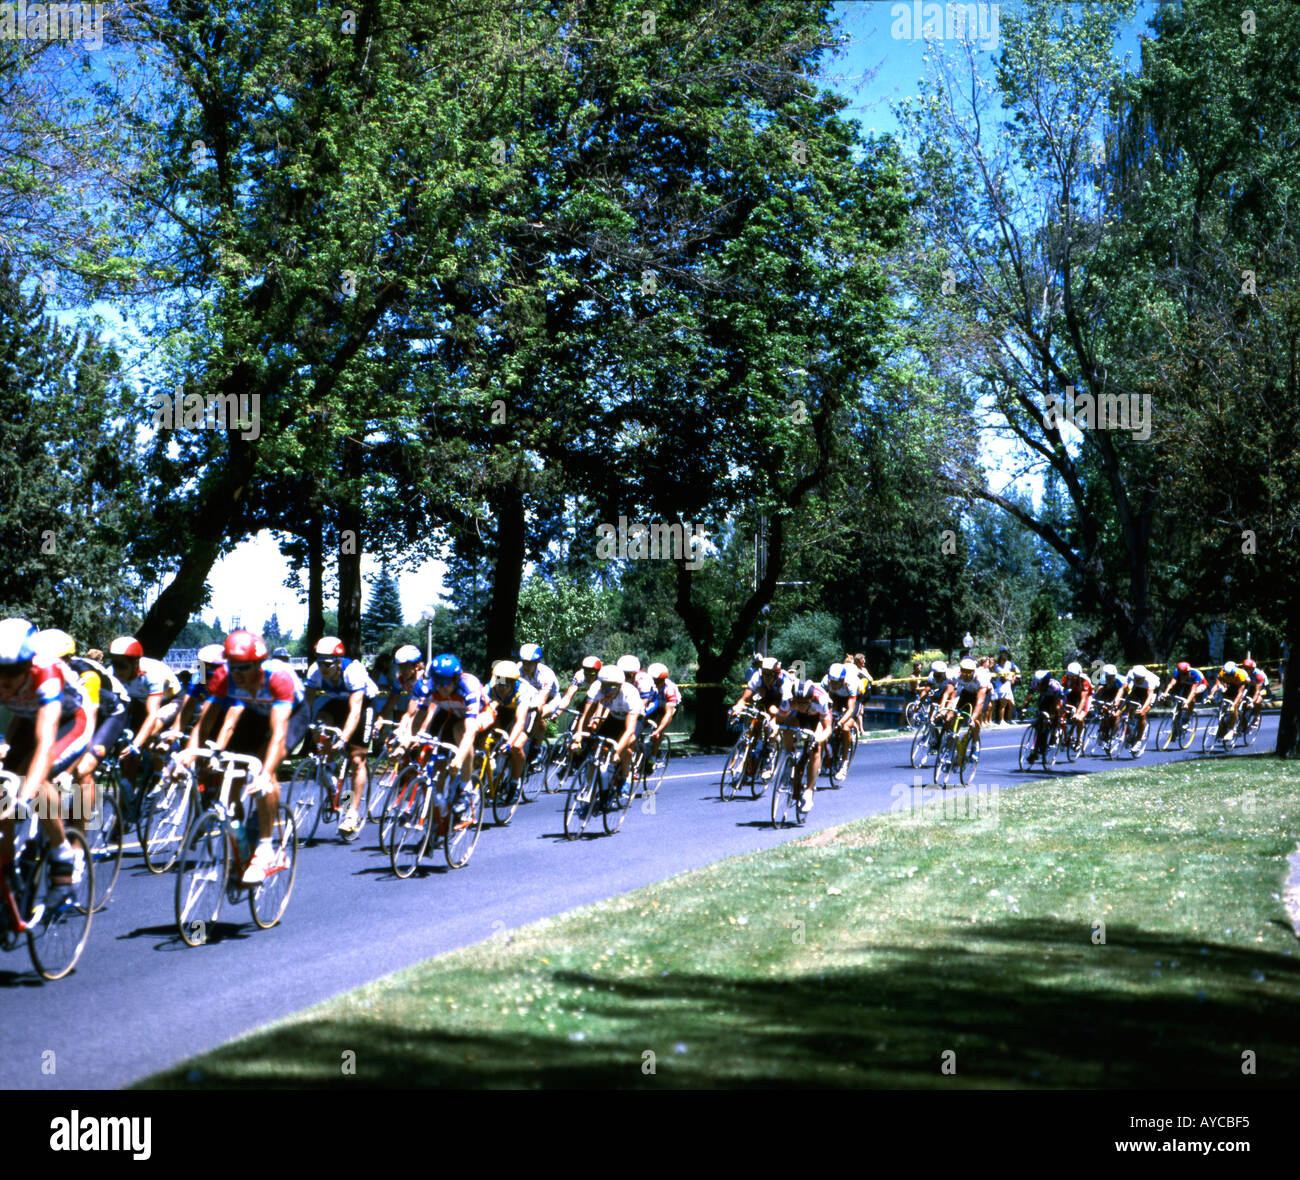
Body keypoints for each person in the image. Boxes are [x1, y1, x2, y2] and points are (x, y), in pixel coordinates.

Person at [183, 630, 308, 883]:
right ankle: (240, 846)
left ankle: (265, 849)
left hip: (291, 714)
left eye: (245, 668)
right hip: (253, 711)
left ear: (259, 664)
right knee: (230, 781)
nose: (238, 674)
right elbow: (207, 725)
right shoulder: (222, 676)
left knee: (265, 770)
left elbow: (278, 735)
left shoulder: (278, 678)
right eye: (234, 667)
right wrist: (188, 756)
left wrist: (264, 773)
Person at [0, 619, 94, 904]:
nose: (6, 679)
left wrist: (25, 799)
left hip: (72, 720)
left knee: (37, 777)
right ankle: (8, 863)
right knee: (4, 787)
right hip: (28, 717)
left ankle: (63, 850)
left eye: (14, 670)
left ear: (29, 665)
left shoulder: (48, 671)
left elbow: (44, 745)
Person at [304, 636, 379, 836]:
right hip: (337, 703)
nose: (323, 669)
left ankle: (351, 813)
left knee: (356, 758)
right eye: (320, 663)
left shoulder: (353, 671)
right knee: (320, 721)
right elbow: (306, 705)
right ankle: (329, 767)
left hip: (362, 706)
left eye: (328, 664)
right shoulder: (315, 670)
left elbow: (355, 711)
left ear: (338, 662)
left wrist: (344, 738)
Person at [774, 678, 834, 813]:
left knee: (816, 748)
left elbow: (827, 729)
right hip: (797, 716)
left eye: (803, 702)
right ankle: (789, 759)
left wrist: (819, 739)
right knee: (787, 726)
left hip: (817, 718)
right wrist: (775, 728)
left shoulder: (821, 699)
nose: (800, 704)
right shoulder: (788, 698)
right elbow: (779, 720)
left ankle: (808, 791)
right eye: (797, 701)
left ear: (810, 698)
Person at [820, 662, 859, 783]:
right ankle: (828, 756)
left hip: (854, 698)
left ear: (843, 681)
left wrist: (841, 722)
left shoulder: (851, 683)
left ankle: (844, 763)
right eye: (833, 683)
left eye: (837, 683)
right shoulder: (826, 681)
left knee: (845, 727)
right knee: (827, 723)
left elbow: (851, 709)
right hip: (837, 697)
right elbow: (823, 701)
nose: (835, 685)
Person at [643, 662, 681, 765]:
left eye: (660, 682)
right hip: (656, 704)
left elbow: (668, 714)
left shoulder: (669, 690)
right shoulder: (647, 685)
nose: (657, 684)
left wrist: (658, 730)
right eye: (655, 681)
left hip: (669, 707)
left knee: (658, 729)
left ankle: (653, 757)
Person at [1061, 661, 1094, 750]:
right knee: (1061, 713)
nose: (1072, 678)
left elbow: (1083, 700)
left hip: (1086, 696)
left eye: (1074, 676)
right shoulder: (1065, 679)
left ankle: (1079, 739)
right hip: (1073, 694)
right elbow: (1062, 693)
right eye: (1070, 676)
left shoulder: (1085, 681)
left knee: (1079, 718)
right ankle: (1067, 736)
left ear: (1079, 675)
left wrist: (1077, 712)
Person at [991, 648, 1019, 725]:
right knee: (1003, 705)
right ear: (1000, 660)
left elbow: (1014, 671)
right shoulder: (997, 667)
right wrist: (1009, 677)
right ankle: (1001, 720)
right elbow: (1004, 678)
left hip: (1008, 687)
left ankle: (1009, 719)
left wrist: (1013, 678)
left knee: (1012, 704)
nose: (1005, 661)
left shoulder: (1009, 664)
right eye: (1003, 659)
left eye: (1006, 659)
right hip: (1001, 688)